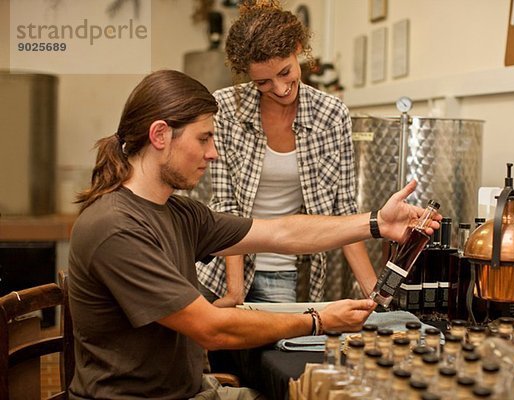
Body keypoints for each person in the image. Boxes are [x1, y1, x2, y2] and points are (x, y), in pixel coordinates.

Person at [67, 69, 440, 399]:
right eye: (203, 138)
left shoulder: (178, 212)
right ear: (160, 134)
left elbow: (279, 232)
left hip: (189, 389)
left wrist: (377, 223)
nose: (213, 153)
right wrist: (319, 319)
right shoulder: (117, 228)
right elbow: (212, 329)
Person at [197, 0, 377, 306]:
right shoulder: (226, 107)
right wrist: (234, 292)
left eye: (285, 72)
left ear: (298, 49)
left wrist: (376, 293)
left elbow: (345, 212)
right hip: (221, 269)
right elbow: (227, 207)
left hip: (283, 271)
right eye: (263, 82)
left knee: (275, 353)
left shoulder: (330, 114)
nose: (280, 88)